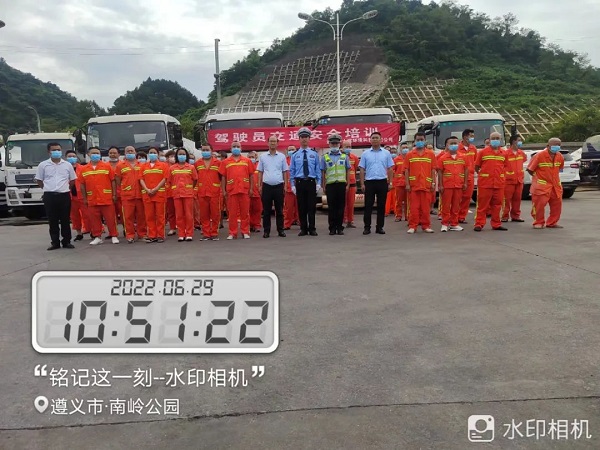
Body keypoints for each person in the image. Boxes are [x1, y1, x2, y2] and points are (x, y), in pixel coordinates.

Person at [35, 142, 77, 250]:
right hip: (49, 196)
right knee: (52, 220)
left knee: (65, 219)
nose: (57, 152)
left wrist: (65, 188)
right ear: (49, 152)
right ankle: (55, 242)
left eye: (58, 150)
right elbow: (39, 180)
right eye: (54, 150)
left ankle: (66, 241)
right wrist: (47, 188)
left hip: (64, 195)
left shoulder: (67, 165)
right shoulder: (43, 165)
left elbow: (72, 180)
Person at [79, 147, 119, 245]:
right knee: (94, 219)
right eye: (93, 153)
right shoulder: (84, 169)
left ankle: (114, 235)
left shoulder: (107, 166)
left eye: (97, 153)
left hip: (106, 197)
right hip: (92, 198)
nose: (96, 155)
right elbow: (82, 184)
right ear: (88, 154)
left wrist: (114, 194)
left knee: (110, 218)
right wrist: (85, 198)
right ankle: (97, 236)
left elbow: (113, 181)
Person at [359, 132, 394, 235]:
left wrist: (390, 182)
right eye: (373, 138)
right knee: (368, 206)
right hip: (369, 182)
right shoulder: (365, 153)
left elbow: (390, 168)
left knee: (381, 206)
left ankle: (380, 227)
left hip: (382, 182)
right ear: (370, 140)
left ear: (380, 140)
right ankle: (367, 227)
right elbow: (362, 169)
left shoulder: (386, 153)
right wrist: (362, 183)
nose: (374, 139)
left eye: (376, 138)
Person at [473, 132, 509, 231]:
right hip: (485, 183)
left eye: (497, 138)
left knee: (497, 205)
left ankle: (496, 224)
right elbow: (477, 166)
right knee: (482, 205)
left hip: (499, 183)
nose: (495, 140)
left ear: (500, 140)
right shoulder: (483, 152)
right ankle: (479, 224)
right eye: (493, 138)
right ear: (489, 140)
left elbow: (505, 166)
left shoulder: (504, 153)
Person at [527, 137, 565, 229]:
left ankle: (552, 222)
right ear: (548, 146)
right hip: (541, 186)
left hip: (555, 186)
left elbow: (560, 168)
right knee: (539, 206)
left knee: (557, 206)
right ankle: (538, 222)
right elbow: (530, 169)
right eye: (555, 144)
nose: (557, 146)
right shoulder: (539, 155)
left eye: (559, 145)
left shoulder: (560, 156)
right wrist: (538, 178)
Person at [289, 127, 321, 236]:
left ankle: (312, 228)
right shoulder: (295, 155)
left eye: (306, 137)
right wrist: (292, 185)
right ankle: (303, 228)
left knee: (311, 207)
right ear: (299, 139)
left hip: (311, 182)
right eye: (302, 137)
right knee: (301, 207)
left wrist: (318, 183)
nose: (304, 139)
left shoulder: (314, 154)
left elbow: (317, 170)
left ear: (309, 139)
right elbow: (292, 171)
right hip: (300, 183)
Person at [219, 141, 254, 239]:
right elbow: (223, 177)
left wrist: (251, 188)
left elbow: (251, 175)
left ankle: (245, 231)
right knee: (232, 213)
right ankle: (232, 232)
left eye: (238, 146)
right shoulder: (225, 162)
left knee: (245, 212)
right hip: (231, 190)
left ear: (241, 148)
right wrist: (223, 190)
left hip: (244, 189)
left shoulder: (247, 161)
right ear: (230, 149)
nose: (236, 148)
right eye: (234, 146)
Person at [405, 132, 437, 234]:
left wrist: (433, 183)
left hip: (426, 185)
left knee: (426, 208)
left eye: (421, 140)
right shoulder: (410, 154)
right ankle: (412, 226)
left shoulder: (430, 154)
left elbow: (433, 169)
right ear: (414, 141)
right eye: (418, 140)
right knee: (414, 208)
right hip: (414, 185)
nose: (420, 141)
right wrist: (407, 184)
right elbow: (406, 170)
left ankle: (426, 226)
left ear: (425, 140)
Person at [257, 136, 288, 238]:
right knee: (266, 211)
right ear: (268, 143)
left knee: (279, 210)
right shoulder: (263, 156)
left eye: (274, 141)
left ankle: (281, 230)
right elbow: (260, 171)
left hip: (279, 186)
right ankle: (266, 231)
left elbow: (284, 171)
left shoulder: (282, 156)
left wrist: (285, 185)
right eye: (271, 141)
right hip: (267, 186)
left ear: (277, 143)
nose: (273, 143)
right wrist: (259, 185)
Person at [321, 133, 350, 235]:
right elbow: (323, 172)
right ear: (329, 144)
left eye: (336, 143)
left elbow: (348, 170)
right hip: (330, 185)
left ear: (339, 144)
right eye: (332, 144)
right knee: (331, 207)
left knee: (341, 207)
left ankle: (340, 227)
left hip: (341, 184)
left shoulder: (344, 156)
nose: (334, 145)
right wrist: (323, 185)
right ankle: (332, 228)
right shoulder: (325, 157)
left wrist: (348, 184)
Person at [115, 146, 146, 243]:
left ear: (135, 152)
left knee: (141, 216)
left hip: (140, 194)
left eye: (131, 151)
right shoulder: (120, 165)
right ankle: (130, 235)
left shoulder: (142, 164)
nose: (130, 152)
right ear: (124, 153)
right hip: (127, 195)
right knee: (128, 217)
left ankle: (142, 234)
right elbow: (118, 180)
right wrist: (125, 187)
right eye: (128, 151)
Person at [438, 137, 468, 232]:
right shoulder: (443, 158)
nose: (454, 145)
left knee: (456, 206)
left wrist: (465, 182)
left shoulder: (463, 157)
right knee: (446, 206)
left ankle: (454, 224)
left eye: (455, 143)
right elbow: (440, 172)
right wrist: (440, 185)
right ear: (447, 145)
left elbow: (466, 170)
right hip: (447, 185)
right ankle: (445, 224)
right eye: (451, 143)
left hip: (458, 185)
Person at [139, 147, 168, 242]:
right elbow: (141, 179)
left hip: (159, 194)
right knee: (149, 216)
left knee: (160, 216)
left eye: (154, 152)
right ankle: (152, 235)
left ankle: (160, 235)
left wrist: (156, 189)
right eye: (150, 152)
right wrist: (147, 189)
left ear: (158, 154)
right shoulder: (143, 166)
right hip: (147, 194)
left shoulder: (163, 165)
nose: (152, 154)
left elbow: (165, 178)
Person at [170, 148, 198, 241]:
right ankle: (181, 234)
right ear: (176, 156)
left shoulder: (191, 167)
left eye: (183, 154)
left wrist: (189, 188)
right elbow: (170, 181)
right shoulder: (172, 168)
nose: (181, 156)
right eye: (179, 154)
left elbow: (195, 180)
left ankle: (189, 233)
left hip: (188, 194)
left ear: (186, 156)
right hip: (177, 194)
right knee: (179, 215)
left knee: (189, 215)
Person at [196, 145, 222, 241]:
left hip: (214, 191)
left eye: (207, 150)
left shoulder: (218, 163)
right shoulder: (197, 163)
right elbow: (195, 177)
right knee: (204, 214)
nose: (205, 151)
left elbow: (222, 177)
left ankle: (214, 233)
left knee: (215, 214)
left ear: (211, 151)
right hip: (202, 192)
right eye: (203, 150)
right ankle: (206, 233)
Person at [65, 150, 90, 241]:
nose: (72, 158)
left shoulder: (83, 168)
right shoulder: (64, 168)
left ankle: (92, 231)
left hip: (82, 196)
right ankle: (79, 233)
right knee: (74, 216)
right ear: (66, 158)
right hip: (71, 196)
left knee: (87, 215)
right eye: (69, 156)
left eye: (73, 156)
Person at [502, 135, 526, 222]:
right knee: (506, 199)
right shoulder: (505, 154)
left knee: (517, 199)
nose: (520, 142)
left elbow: (523, 161)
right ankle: (504, 216)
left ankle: (516, 216)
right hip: (508, 180)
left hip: (519, 180)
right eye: (519, 140)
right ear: (513, 142)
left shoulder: (521, 153)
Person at [457, 129, 477, 224]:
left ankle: (461, 217)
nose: (472, 138)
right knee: (457, 198)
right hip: (459, 176)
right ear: (465, 137)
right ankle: (454, 216)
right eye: (471, 136)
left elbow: (476, 161)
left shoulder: (473, 148)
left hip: (470, 177)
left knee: (467, 198)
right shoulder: (457, 148)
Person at [342, 140, 359, 228]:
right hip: (342, 182)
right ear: (342, 147)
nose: (348, 148)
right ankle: (342, 220)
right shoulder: (340, 157)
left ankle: (350, 221)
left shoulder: (354, 157)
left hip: (352, 183)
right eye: (346, 147)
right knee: (342, 203)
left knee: (351, 204)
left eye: (349, 147)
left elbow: (355, 169)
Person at [283, 145, 299, 229]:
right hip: (288, 188)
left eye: (293, 149)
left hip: (299, 187)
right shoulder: (284, 161)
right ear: (287, 151)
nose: (291, 151)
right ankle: (287, 224)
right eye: (289, 150)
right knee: (288, 208)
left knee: (300, 207)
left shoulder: (299, 159)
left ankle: (301, 222)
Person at [392, 143, 409, 222]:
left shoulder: (410, 158)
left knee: (407, 201)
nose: (405, 149)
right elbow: (392, 170)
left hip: (408, 183)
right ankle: (398, 216)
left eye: (406, 147)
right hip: (398, 183)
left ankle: (407, 216)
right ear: (400, 149)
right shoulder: (396, 159)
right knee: (398, 201)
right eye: (403, 148)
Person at [107, 146, 123, 227]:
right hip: (109, 194)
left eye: (114, 153)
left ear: (119, 154)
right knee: (111, 215)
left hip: (121, 193)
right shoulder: (105, 165)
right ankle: (113, 232)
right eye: (111, 153)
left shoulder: (123, 164)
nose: (112, 155)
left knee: (123, 213)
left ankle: (125, 229)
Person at [248, 151, 263, 233]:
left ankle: (257, 225)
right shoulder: (246, 166)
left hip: (257, 192)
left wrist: (261, 188)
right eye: (249, 157)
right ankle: (250, 225)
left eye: (252, 157)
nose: (251, 159)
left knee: (257, 210)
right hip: (248, 192)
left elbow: (262, 178)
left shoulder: (259, 166)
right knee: (248, 210)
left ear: (256, 157)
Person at [164, 149, 177, 236]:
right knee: (171, 211)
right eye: (171, 156)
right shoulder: (164, 166)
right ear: (167, 158)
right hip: (168, 192)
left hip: (179, 191)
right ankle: (172, 228)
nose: (173, 158)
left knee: (182, 211)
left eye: (174, 156)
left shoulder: (179, 165)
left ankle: (183, 227)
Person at [385, 146, 399, 217]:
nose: (393, 154)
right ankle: (386, 211)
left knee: (395, 197)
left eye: (394, 152)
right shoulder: (387, 160)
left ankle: (395, 211)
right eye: (392, 152)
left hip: (395, 181)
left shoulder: (397, 160)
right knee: (388, 198)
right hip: (388, 181)